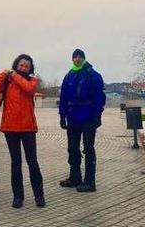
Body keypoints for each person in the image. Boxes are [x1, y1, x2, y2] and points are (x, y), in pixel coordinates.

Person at [0, 54, 45, 208]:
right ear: (16, 65)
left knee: (32, 161)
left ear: (30, 68)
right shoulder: (7, 80)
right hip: (10, 127)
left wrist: (13, 74)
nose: (23, 68)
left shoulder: (32, 81)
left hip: (28, 128)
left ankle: (39, 195)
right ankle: (18, 196)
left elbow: (28, 89)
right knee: (16, 163)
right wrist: (3, 74)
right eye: (21, 65)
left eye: (26, 66)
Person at [59, 48, 106, 193]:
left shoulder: (92, 75)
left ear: (84, 58)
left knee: (88, 149)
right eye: (75, 57)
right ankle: (75, 177)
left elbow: (100, 97)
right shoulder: (69, 76)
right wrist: (62, 115)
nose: (77, 59)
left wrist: (97, 115)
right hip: (73, 117)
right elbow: (64, 98)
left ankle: (90, 181)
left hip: (88, 116)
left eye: (80, 57)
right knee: (72, 148)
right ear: (72, 59)